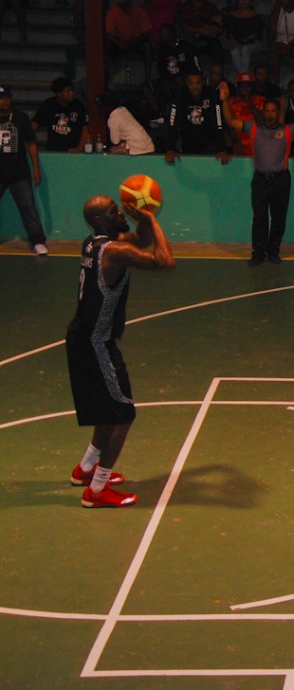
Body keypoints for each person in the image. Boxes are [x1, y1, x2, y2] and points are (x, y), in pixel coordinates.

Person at [66, 195, 175, 508]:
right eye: (115, 211)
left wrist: (143, 221)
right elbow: (164, 260)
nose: (121, 213)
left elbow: (138, 240)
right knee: (123, 414)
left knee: (108, 410)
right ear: (101, 220)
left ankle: (86, 469)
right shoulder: (114, 252)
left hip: (84, 339)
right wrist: (151, 220)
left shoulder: (94, 242)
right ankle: (97, 490)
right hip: (96, 345)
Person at [220, 80, 294, 265]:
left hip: (281, 180)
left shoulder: (288, 130)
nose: (270, 114)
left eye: (273, 111)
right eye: (267, 111)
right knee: (259, 218)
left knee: (278, 218)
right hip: (260, 180)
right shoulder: (253, 129)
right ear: (263, 112)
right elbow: (230, 120)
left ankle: (273, 251)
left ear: (278, 112)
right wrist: (225, 100)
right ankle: (258, 254)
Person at [0, 87, 48, 254]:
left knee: (28, 207)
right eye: (1, 98)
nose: (4, 101)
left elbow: (31, 144)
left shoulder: (20, 118)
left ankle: (38, 241)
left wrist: (36, 169)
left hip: (19, 173)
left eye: (7, 97)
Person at [164, 70, 230, 163]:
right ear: (187, 83)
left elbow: (219, 122)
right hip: (188, 144)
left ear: (203, 82)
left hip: (210, 145)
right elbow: (173, 123)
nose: (194, 87)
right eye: (191, 83)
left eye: (198, 83)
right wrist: (170, 148)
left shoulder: (212, 94)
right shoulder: (180, 95)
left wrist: (222, 149)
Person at [106, 0, 153, 82]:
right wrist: (119, 43)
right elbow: (108, 34)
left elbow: (146, 32)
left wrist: (131, 42)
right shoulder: (112, 12)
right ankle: (107, 79)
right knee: (106, 47)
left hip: (135, 41)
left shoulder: (139, 11)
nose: (117, 1)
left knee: (147, 47)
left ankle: (147, 79)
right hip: (119, 41)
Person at [32, 76, 89, 153]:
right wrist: (28, 143)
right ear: (59, 94)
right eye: (67, 91)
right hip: (53, 150)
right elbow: (35, 123)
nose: (71, 93)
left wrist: (80, 147)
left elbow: (85, 128)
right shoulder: (49, 105)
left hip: (73, 151)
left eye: (72, 90)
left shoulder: (78, 106)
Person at [266, 0, 294, 85]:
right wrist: (274, 44)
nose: (283, 1)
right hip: (280, 41)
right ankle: (276, 81)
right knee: (272, 51)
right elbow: (272, 30)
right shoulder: (277, 12)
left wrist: (291, 45)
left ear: (292, 0)